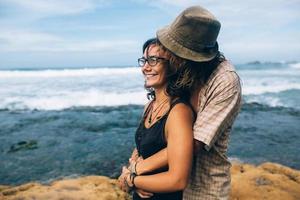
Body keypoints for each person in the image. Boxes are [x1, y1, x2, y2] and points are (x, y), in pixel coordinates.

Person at [119, 6, 242, 200]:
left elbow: (193, 143)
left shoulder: (225, 81)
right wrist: (136, 169)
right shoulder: (186, 70)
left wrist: (135, 173)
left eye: (173, 50)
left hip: (203, 186)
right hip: (164, 184)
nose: (169, 54)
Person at [118, 38, 197, 199]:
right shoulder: (149, 106)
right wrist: (129, 169)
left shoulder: (179, 112)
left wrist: (133, 180)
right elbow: (140, 147)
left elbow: (178, 180)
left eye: (153, 60)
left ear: (173, 65)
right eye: (144, 61)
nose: (145, 68)